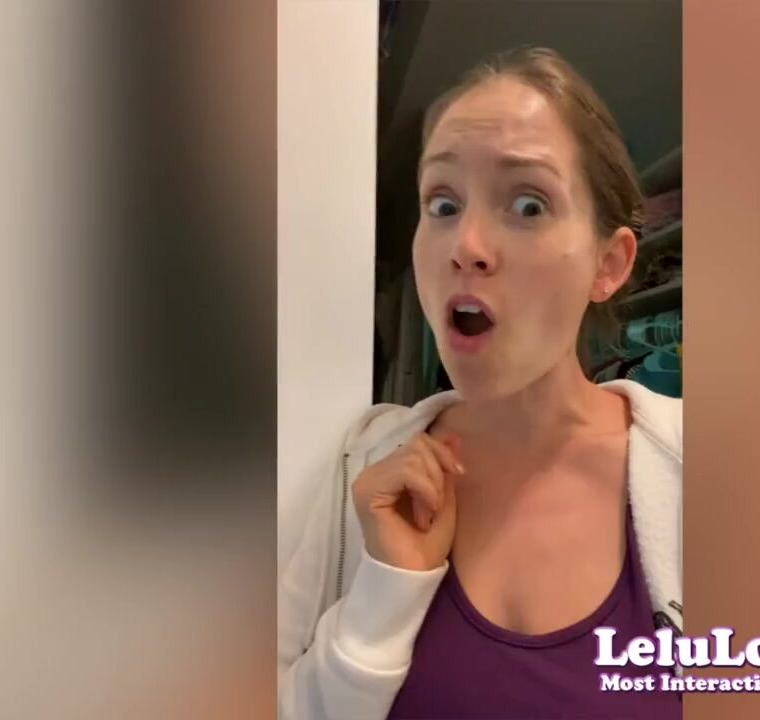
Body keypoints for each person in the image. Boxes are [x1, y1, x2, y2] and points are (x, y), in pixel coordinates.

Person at [278, 47, 683, 719]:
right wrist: (384, 592)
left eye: (527, 204)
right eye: (441, 203)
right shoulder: (365, 465)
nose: (465, 245)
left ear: (608, 264)